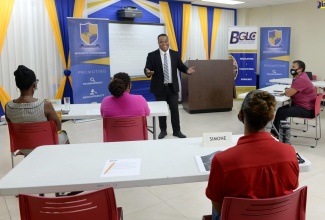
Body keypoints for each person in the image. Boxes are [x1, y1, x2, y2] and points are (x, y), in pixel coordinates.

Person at [206, 90, 299, 220]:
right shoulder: (289, 152)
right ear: (272, 117)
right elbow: (293, 187)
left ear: (240, 115)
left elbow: (217, 205)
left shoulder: (222, 160)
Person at [5, 65, 69, 155]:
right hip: (45, 147)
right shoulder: (44, 104)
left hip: (23, 147)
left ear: (18, 85)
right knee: (64, 134)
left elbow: (12, 128)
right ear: (34, 84)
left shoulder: (8, 106)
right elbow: (58, 127)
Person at [144, 33, 195, 139]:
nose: (164, 44)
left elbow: (180, 66)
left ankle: (177, 131)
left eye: (166, 41)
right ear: (158, 43)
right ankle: (163, 131)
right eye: (161, 42)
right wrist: (148, 72)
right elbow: (147, 68)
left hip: (172, 88)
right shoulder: (152, 55)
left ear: (169, 42)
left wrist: (187, 70)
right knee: (162, 111)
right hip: (159, 88)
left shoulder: (175, 54)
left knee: (175, 111)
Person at [271, 60, 316, 138]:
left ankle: (276, 134)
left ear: (300, 69)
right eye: (292, 67)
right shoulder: (301, 76)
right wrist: (288, 91)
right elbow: (292, 90)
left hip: (306, 109)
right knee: (280, 110)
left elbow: (289, 93)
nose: (291, 69)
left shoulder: (301, 79)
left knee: (282, 112)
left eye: (294, 67)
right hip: (304, 106)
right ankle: (275, 132)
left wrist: (287, 91)